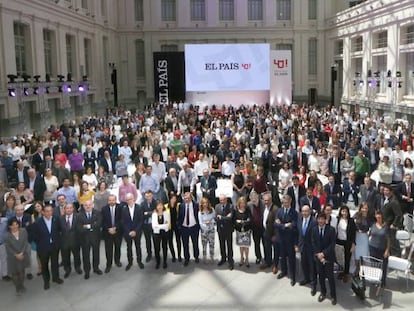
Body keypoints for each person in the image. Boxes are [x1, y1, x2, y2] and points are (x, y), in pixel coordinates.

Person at [32, 204, 63, 290]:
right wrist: (41, 243)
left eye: (51, 211)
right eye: (47, 211)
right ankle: (46, 281)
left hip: (54, 246)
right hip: (43, 248)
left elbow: (60, 230)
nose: (49, 213)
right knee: (44, 265)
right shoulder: (38, 222)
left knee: (55, 263)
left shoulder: (56, 220)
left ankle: (56, 278)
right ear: (43, 212)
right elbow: (34, 236)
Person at [311, 212, 337, 305]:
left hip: (328, 257)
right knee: (321, 276)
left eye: (323, 219)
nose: (321, 221)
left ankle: (333, 295)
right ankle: (323, 292)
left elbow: (332, 244)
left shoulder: (331, 230)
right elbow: (313, 243)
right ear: (317, 220)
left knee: (330, 277)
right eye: (319, 219)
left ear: (325, 220)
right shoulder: (314, 230)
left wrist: (323, 254)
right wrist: (319, 254)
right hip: (318, 257)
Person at [275, 194, 298, 286]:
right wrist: (285, 225)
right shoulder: (279, 211)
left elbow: (294, 225)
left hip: (290, 240)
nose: (285, 204)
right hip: (281, 239)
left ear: (290, 202)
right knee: (283, 257)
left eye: (287, 202)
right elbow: (276, 224)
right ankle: (284, 271)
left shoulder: (294, 212)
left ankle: (293, 276)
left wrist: (282, 225)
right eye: (284, 203)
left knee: (292, 259)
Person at [77, 200, 102, 279]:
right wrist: (92, 225)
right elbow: (79, 228)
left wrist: (87, 226)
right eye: (86, 205)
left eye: (89, 205)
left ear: (92, 205)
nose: (88, 206)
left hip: (95, 237)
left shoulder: (97, 213)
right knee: (86, 256)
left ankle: (96, 268)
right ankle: (87, 271)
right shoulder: (79, 215)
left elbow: (98, 224)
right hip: (84, 239)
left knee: (96, 254)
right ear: (83, 206)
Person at [4, 218, 30, 295]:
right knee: (14, 273)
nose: (15, 226)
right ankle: (17, 287)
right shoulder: (7, 236)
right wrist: (16, 255)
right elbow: (8, 247)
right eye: (12, 225)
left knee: (22, 271)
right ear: (9, 226)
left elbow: (26, 242)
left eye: (16, 224)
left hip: (23, 255)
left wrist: (22, 253)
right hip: (13, 257)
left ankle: (21, 285)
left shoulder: (23, 231)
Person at [295, 204, 317, 291]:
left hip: (311, 248)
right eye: (303, 211)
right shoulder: (299, 219)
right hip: (302, 247)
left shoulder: (314, 222)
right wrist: (296, 245)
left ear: (310, 211)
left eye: (306, 211)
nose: (304, 213)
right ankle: (306, 278)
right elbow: (297, 233)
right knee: (304, 264)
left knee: (312, 267)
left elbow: (316, 237)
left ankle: (313, 284)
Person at [122, 193, 144, 270]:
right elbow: (123, 222)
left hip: (137, 231)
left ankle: (139, 261)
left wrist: (135, 231)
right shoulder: (124, 209)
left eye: (130, 199)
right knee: (129, 248)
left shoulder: (139, 207)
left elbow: (141, 221)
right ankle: (130, 262)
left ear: (133, 199)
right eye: (127, 200)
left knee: (138, 247)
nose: (129, 201)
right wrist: (129, 231)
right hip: (128, 232)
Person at [101, 194, 123, 273]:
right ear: (108, 201)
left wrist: (115, 228)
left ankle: (117, 261)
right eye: (110, 200)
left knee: (118, 247)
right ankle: (109, 264)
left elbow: (122, 219)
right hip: (108, 232)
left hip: (118, 231)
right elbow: (102, 221)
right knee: (108, 249)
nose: (111, 202)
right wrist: (109, 229)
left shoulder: (120, 208)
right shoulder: (104, 209)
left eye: (113, 200)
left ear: (115, 200)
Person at [59, 203, 82, 278]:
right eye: (67, 208)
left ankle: (77, 268)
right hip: (64, 242)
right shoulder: (60, 218)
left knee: (77, 256)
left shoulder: (78, 217)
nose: (69, 209)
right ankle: (67, 270)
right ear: (64, 210)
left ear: (73, 209)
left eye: (70, 208)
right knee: (65, 257)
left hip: (75, 241)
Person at [178, 192, 200, 266]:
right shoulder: (181, 206)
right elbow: (179, 217)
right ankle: (186, 258)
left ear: (191, 198)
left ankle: (196, 257)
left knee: (195, 243)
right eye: (185, 198)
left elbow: (198, 215)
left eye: (188, 198)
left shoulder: (196, 205)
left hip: (194, 227)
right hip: (184, 228)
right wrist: (179, 227)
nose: (186, 199)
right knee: (185, 244)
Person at [335, 205, 356, 283]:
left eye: (345, 211)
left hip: (347, 242)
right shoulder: (338, 219)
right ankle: (341, 271)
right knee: (340, 258)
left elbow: (353, 233)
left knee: (347, 259)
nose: (344, 213)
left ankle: (346, 274)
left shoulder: (351, 221)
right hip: (339, 241)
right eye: (343, 211)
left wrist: (353, 244)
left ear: (348, 212)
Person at [369, 210, 390, 287]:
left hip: (382, 249)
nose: (378, 216)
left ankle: (382, 282)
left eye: (380, 215)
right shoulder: (373, 225)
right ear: (375, 216)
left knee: (383, 266)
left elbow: (388, 239)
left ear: (382, 216)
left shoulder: (386, 226)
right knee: (374, 265)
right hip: (373, 248)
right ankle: (374, 281)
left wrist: (387, 250)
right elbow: (370, 235)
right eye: (377, 215)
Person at [215, 194, 234, 270]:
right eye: (220, 200)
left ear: (226, 199)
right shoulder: (217, 206)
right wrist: (225, 217)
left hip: (228, 229)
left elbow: (230, 218)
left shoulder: (230, 206)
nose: (221, 201)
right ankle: (223, 258)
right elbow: (216, 217)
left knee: (229, 246)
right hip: (220, 229)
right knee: (222, 245)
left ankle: (230, 261)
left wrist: (221, 217)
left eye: (223, 200)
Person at [353, 202, 372, 275]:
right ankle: (357, 270)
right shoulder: (357, 215)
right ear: (360, 208)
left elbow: (372, 226)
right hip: (357, 237)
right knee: (357, 255)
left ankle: (362, 271)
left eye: (366, 208)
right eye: (363, 208)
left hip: (364, 237)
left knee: (364, 254)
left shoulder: (369, 217)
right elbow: (351, 223)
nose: (364, 210)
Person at [233, 196, 252, 268]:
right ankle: (241, 258)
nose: (242, 204)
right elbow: (234, 220)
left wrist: (242, 222)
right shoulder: (236, 210)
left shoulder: (247, 210)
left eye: (243, 203)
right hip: (239, 231)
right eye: (241, 203)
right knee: (241, 246)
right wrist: (238, 222)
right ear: (239, 203)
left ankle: (247, 259)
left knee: (246, 246)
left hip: (246, 231)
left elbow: (250, 219)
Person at [152, 202, 170, 269]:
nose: (159, 207)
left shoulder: (166, 213)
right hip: (156, 234)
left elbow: (167, 225)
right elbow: (154, 226)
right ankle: (158, 262)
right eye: (158, 206)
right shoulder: (154, 214)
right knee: (157, 248)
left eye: (161, 205)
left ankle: (165, 261)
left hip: (164, 233)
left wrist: (158, 226)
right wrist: (163, 226)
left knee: (165, 247)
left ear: (163, 206)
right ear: (156, 207)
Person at [198, 197, 216, 264]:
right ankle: (204, 257)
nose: (205, 204)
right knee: (204, 245)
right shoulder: (200, 212)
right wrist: (206, 225)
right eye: (203, 203)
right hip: (204, 231)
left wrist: (210, 222)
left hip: (211, 230)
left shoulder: (212, 210)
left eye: (206, 203)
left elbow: (214, 219)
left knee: (212, 244)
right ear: (202, 204)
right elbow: (200, 223)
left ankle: (212, 257)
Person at [140, 190, 156, 262]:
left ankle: (157, 253)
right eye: (146, 196)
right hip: (146, 225)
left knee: (156, 240)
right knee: (147, 240)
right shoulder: (142, 204)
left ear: (152, 195)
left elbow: (156, 212)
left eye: (149, 196)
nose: (148, 198)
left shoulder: (156, 202)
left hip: (154, 224)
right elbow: (142, 214)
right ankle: (149, 254)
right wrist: (151, 213)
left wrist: (147, 213)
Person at [248, 191, 263, 264]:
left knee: (265, 243)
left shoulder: (263, 203)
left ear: (258, 197)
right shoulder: (249, 205)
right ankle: (258, 257)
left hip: (263, 227)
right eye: (252, 198)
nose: (253, 199)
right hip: (255, 228)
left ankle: (267, 258)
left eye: (255, 197)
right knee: (256, 244)